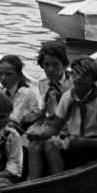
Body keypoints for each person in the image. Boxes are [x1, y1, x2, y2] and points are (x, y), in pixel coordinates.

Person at [37, 57, 97, 174]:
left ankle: (64, 179)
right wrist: (39, 136)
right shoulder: (68, 97)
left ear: (93, 78)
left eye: (84, 75)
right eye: (75, 74)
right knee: (47, 145)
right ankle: (58, 177)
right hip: (73, 141)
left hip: (93, 146)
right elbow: (55, 128)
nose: (78, 79)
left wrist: (84, 142)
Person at [22, 42, 73, 178]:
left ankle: (59, 181)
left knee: (50, 145)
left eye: (55, 65)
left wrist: (62, 96)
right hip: (50, 124)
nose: (51, 69)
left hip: (69, 127)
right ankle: (33, 181)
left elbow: (74, 113)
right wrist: (35, 115)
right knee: (33, 145)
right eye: (46, 65)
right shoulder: (43, 83)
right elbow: (45, 110)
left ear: (64, 65)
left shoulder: (73, 84)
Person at [0, 55, 42, 132]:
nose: (3, 78)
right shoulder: (1, 92)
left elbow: (15, 120)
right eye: (0, 73)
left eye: (8, 74)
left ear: (19, 75)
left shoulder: (26, 94)